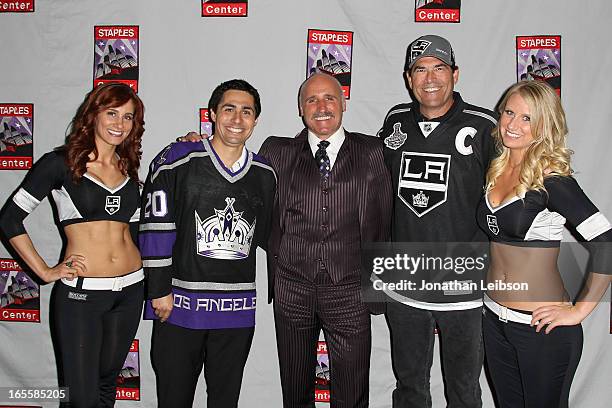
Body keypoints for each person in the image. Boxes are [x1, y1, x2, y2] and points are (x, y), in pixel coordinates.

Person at [0, 83, 145, 407]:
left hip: (131, 290)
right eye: (112, 113)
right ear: (93, 114)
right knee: (80, 397)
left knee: (107, 387)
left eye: (128, 117)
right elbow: (9, 219)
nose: (119, 124)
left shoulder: (129, 168)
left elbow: (133, 233)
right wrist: (44, 271)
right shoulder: (60, 164)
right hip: (82, 295)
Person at [139, 79, 276, 407]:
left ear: (256, 121)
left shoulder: (265, 173)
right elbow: (154, 226)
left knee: (225, 400)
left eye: (247, 111)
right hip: (180, 305)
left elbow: (265, 235)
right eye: (229, 109)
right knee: (174, 398)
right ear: (212, 114)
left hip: (236, 310)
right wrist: (158, 289)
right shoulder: (176, 159)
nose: (237, 118)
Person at [377, 35, 497, 407]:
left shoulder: (484, 126)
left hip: (463, 281)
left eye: (439, 68)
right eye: (420, 69)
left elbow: (511, 194)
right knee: (410, 387)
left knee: (463, 391)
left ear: (455, 74)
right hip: (407, 280)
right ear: (408, 78)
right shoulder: (396, 120)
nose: (430, 78)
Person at [260, 72, 392, 407]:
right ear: (300, 109)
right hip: (292, 287)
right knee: (295, 388)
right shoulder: (277, 152)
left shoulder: (372, 151)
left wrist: (378, 286)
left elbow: (385, 219)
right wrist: (196, 144)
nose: (321, 107)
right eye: (312, 100)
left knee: (351, 392)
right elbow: (240, 184)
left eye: (329, 98)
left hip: (349, 289)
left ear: (343, 103)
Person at [477, 80, 612, 408]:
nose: (512, 124)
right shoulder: (496, 169)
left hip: (540, 328)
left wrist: (580, 310)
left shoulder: (552, 180)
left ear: (544, 126)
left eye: (527, 118)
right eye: (509, 112)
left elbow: (606, 242)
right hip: (494, 319)